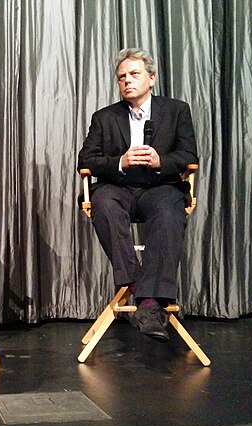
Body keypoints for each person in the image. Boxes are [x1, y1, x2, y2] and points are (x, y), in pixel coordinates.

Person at [77, 48, 198, 342]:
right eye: (122, 77)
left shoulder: (177, 110)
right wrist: (121, 161)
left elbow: (188, 155)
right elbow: (86, 160)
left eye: (134, 74)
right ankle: (142, 293)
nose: (127, 81)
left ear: (152, 78)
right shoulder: (104, 117)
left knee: (170, 210)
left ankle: (145, 302)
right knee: (102, 203)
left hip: (160, 187)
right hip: (118, 187)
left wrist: (160, 161)